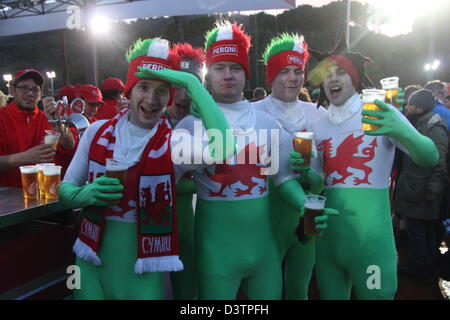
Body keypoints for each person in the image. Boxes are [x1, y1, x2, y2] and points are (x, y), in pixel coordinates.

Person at [58, 37, 234, 300]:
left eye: (162, 90)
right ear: (129, 90)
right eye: (143, 87)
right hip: (89, 263)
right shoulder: (96, 132)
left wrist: (194, 85)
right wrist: (87, 194)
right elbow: (65, 188)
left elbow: (224, 147)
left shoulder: (175, 144)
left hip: (143, 272)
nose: (152, 99)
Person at [175, 20, 333, 300]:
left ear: (246, 74)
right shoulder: (189, 126)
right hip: (215, 255)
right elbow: (168, 182)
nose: (228, 75)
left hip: (264, 255)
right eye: (220, 68)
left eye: (235, 68)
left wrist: (306, 206)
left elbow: (284, 180)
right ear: (208, 75)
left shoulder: (267, 123)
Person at [305, 37, 439, 299]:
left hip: (372, 245)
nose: (333, 79)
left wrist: (403, 130)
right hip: (328, 245)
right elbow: (316, 183)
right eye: (328, 74)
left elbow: (430, 157)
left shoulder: (379, 112)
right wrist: (299, 172)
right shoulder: (317, 126)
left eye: (341, 72)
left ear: (354, 78)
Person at [252, 33, 328, 300]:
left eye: (298, 71)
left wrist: (310, 172)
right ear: (270, 77)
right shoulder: (253, 112)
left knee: (300, 287)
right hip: (267, 216)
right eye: (284, 71)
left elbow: (327, 168)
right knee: (265, 292)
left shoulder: (317, 113)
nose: (293, 78)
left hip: (307, 212)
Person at [394, 89, 448, 285]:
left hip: (423, 191)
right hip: (416, 187)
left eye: (410, 104)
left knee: (420, 232)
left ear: (420, 107)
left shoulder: (434, 127)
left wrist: (433, 190)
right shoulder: (421, 123)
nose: (407, 107)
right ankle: (425, 266)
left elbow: (440, 164)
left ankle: (421, 270)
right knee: (422, 231)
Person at [165, 42, 206, 300]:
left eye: (193, 86)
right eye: (179, 84)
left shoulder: (208, 124)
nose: (184, 94)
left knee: (190, 289)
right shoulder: (149, 121)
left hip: (197, 224)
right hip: (157, 224)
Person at [0, 69, 76, 187]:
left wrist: (56, 120)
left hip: (44, 195)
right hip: (7, 198)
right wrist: (25, 157)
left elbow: (69, 144)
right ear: (12, 90)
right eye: (24, 88)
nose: (30, 93)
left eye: (35, 89)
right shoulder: (2, 117)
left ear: (41, 95)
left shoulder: (47, 118)